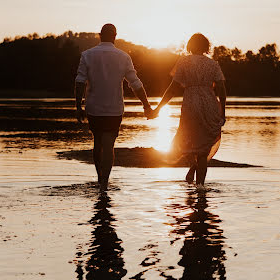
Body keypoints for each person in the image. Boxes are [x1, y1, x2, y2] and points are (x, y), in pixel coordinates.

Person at [75, 23, 152, 192]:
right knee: (108, 145)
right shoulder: (124, 57)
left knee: (97, 143)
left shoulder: (87, 55)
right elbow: (135, 83)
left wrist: (78, 106)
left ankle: (99, 178)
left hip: (93, 107)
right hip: (114, 108)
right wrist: (146, 106)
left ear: (99, 35)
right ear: (115, 36)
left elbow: (80, 81)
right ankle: (104, 184)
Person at [151, 33, 227, 192]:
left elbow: (173, 88)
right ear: (206, 46)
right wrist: (223, 111)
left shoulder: (184, 62)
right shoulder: (213, 64)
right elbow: (221, 89)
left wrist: (158, 108)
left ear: (190, 46)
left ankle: (194, 168)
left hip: (191, 103)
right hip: (209, 103)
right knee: (204, 145)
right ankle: (200, 186)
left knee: (186, 138)